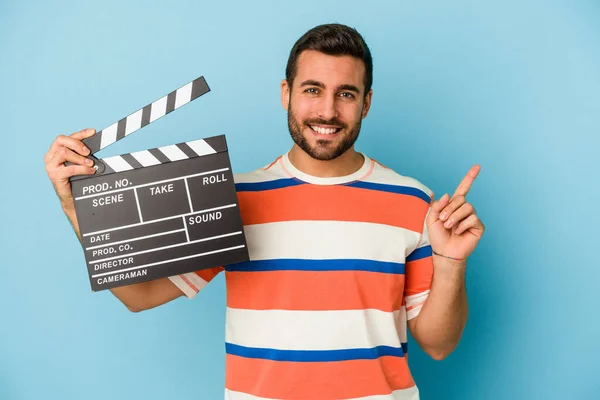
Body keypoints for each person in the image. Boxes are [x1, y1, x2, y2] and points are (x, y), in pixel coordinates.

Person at [44, 23, 485, 400]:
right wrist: (74, 206)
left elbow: (439, 344)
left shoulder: (414, 201)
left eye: (345, 94)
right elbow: (139, 296)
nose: (327, 111)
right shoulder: (236, 199)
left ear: (366, 103)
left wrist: (450, 262)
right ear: (286, 93)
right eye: (313, 90)